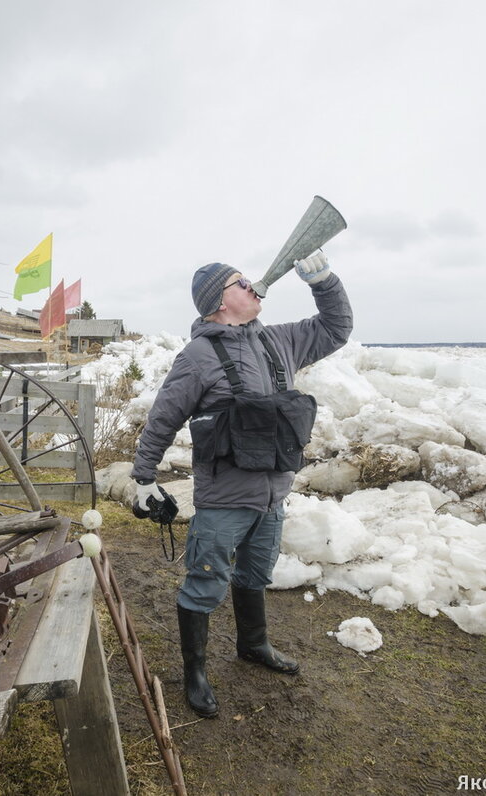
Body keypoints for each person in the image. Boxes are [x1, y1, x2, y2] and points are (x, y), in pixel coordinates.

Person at [131, 252, 353, 718]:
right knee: (205, 582)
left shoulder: (280, 341)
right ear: (218, 303)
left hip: (273, 494)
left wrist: (323, 280)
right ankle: (194, 673)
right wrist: (143, 477)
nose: (253, 285)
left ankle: (254, 645)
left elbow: (336, 327)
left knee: (255, 574)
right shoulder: (196, 357)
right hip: (224, 499)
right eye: (240, 282)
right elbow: (163, 418)